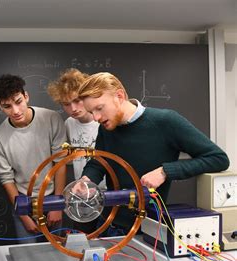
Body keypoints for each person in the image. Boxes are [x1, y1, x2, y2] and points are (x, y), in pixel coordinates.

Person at [77, 72, 230, 234]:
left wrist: (165, 171)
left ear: (119, 96)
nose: (96, 117)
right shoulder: (106, 127)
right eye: (91, 112)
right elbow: (100, 162)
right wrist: (87, 180)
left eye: (99, 108)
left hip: (148, 231)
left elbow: (218, 158)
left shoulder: (166, 121)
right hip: (109, 223)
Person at [0, 74, 67, 242]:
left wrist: (57, 204)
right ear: (0, 106)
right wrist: (24, 215)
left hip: (53, 197)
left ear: (26, 96)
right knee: (27, 255)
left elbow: (60, 162)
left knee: (57, 254)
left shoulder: (51, 118)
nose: (15, 111)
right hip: (23, 202)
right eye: (7, 106)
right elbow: (6, 179)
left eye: (18, 102)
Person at [48, 68, 105, 233]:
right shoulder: (68, 124)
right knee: (83, 242)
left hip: (109, 194)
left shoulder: (104, 121)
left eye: (77, 100)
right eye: (66, 104)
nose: (73, 108)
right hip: (82, 197)